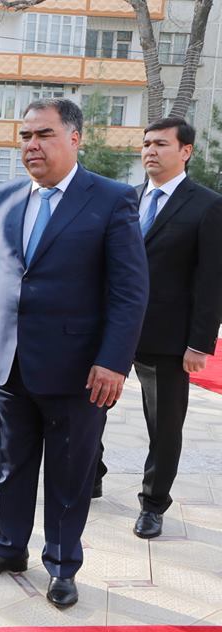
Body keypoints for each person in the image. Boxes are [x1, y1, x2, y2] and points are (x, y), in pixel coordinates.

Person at [0, 98, 148, 608]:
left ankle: (63, 565)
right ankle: (8, 548)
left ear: (74, 138)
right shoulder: (6, 195)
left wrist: (113, 361)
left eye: (43, 134)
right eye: (25, 136)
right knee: (10, 464)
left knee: (68, 473)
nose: (32, 145)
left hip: (78, 368)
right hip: (9, 359)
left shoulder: (111, 198)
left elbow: (130, 291)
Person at [100, 117, 221, 539]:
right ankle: (91, 474)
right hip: (112, 330)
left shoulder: (207, 205)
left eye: (161, 144)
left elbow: (211, 280)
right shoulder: (125, 198)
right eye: (146, 143)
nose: (150, 151)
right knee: (88, 409)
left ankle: (153, 504)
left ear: (186, 151)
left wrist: (199, 343)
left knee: (164, 427)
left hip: (168, 338)